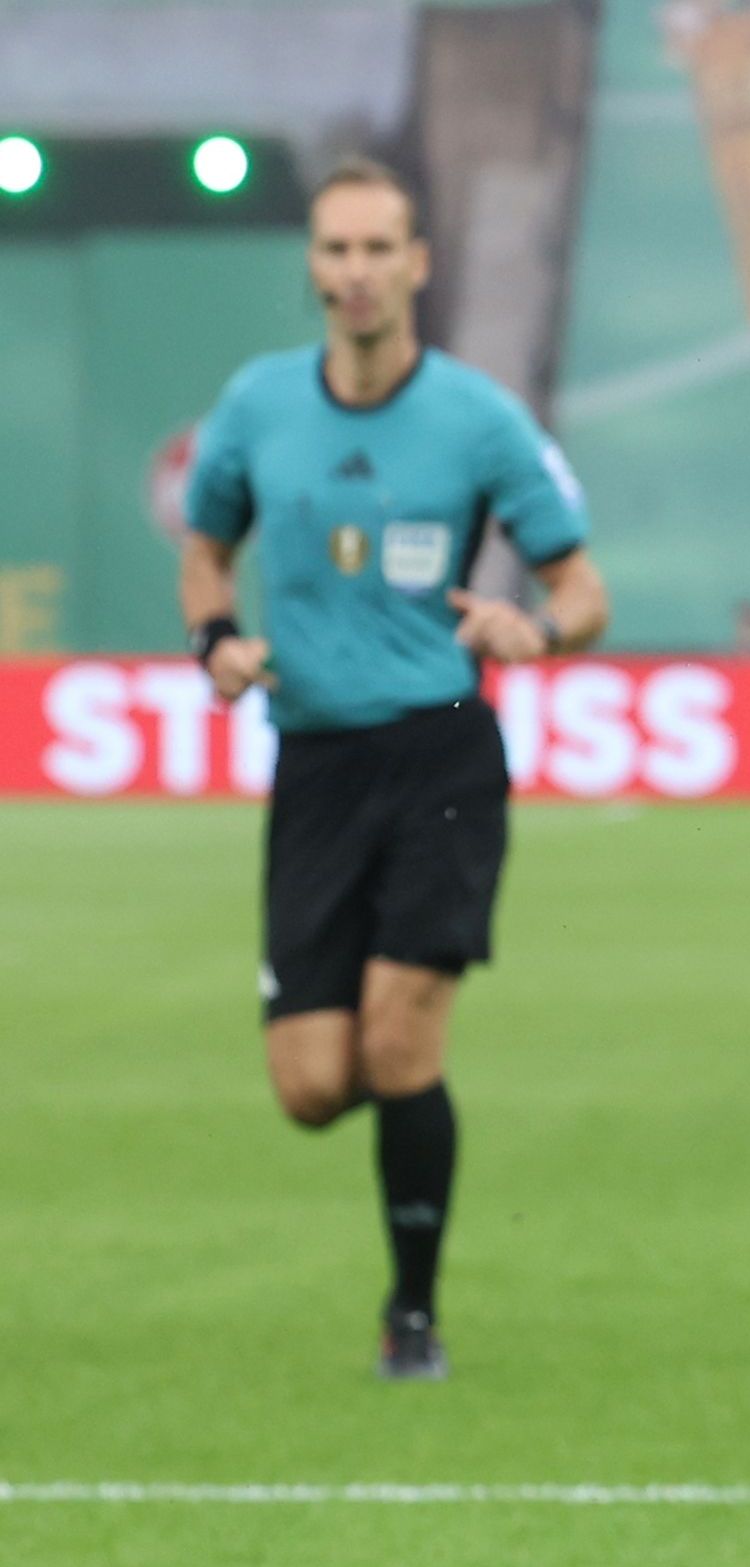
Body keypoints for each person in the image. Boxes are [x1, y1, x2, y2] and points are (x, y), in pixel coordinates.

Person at [179, 157, 613, 1383]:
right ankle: (405, 1117)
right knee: (317, 1084)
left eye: (379, 249)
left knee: (402, 1041)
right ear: (311, 266)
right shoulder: (257, 406)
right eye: (335, 250)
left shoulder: (479, 419)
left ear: (418, 262)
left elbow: (583, 589)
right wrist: (215, 641)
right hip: (312, 761)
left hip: (441, 755)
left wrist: (538, 630)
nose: (356, 273)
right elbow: (206, 551)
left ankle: (411, 1315)